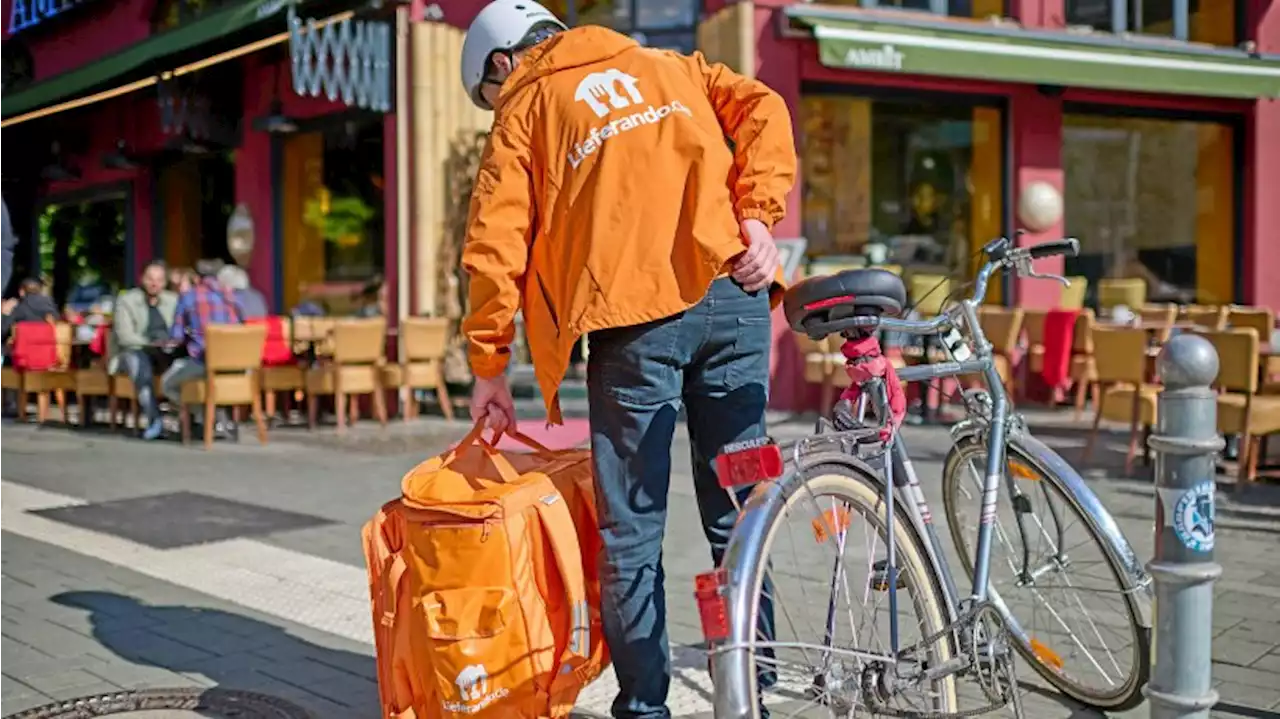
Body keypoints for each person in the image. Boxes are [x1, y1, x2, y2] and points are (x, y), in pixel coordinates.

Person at [458, 3, 795, 716]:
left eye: (491, 94)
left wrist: (489, 363)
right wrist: (758, 216)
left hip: (632, 325)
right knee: (741, 504)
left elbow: (495, 245)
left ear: (501, 63)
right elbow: (765, 105)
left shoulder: (527, 109)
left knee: (632, 529)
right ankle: (755, 686)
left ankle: (646, 706)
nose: (497, 106)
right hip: (733, 300)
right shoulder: (670, 66)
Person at [162, 259, 244, 438]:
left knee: (167, 384)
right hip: (236, 367)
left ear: (197, 277)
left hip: (204, 363)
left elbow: (176, 337)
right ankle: (219, 417)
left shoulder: (189, 297)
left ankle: (204, 416)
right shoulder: (233, 297)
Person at [109, 261, 179, 440]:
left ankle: (194, 421)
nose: (154, 283)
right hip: (133, 350)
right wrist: (151, 343)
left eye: (159, 280)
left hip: (165, 351)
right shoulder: (127, 300)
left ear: (165, 282)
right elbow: (125, 337)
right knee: (139, 364)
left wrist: (172, 342)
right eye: (150, 279)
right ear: (142, 279)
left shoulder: (173, 300)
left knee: (188, 362)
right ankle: (154, 420)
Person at [0, 277, 58, 345]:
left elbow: (2, 330)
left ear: (21, 291)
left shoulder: (21, 307)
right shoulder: (50, 304)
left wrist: (5, 312)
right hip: (48, 351)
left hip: (25, 351)